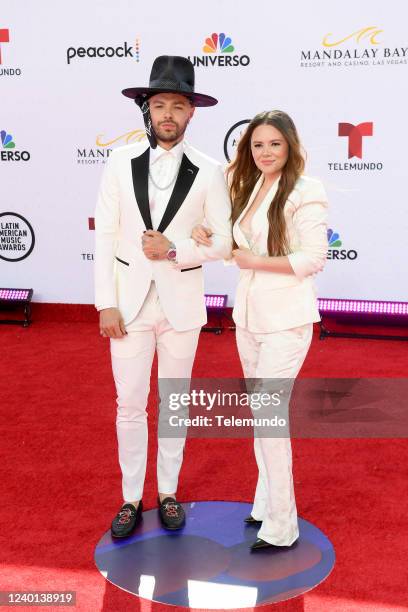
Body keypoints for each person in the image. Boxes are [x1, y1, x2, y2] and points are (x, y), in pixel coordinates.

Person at [94, 56, 231, 538]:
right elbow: (105, 236)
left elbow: (222, 242)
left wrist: (175, 248)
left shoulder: (211, 171)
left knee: (175, 402)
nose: (168, 113)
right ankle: (131, 497)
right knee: (129, 404)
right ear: (146, 110)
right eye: (159, 104)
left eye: (178, 105)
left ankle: (168, 491)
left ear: (192, 112)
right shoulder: (118, 162)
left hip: (182, 304)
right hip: (127, 306)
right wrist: (104, 302)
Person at [192, 110, 328, 550]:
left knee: (270, 421)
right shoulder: (248, 188)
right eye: (257, 145)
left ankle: (282, 526)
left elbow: (313, 259)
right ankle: (265, 504)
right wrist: (206, 238)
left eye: (274, 144)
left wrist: (254, 262)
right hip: (248, 319)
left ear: (290, 146)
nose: (266, 152)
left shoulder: (306, 191)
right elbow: (234, 249)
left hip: (287, 322)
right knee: (261, 419)